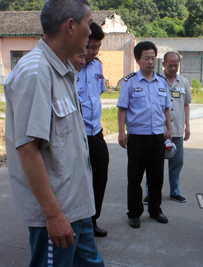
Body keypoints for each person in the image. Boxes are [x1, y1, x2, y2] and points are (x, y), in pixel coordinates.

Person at [4, 0, 104, 266]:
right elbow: (28, 150)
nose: (90, 29)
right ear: (70, 26)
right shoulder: (36, 73)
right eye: (88, 22)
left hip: (77, 208)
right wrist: (53, 215)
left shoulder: (62, 70)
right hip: (58, 216)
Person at [117, 41, 172, 229]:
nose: (150, 62)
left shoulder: (162, 82)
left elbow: (166, 108)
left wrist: (169, 129)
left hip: (157, 136)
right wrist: (121, 132)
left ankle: (155, 210)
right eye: (146, 58)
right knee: (135, 177)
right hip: (137, 137)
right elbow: (122, 108)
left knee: (156, 176)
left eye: (153, 58)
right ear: (138, 59)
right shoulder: (130, 81)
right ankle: (134, 213)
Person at [143, 51, 191, 204]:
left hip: (176, 130)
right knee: (153, 163)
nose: (173, 68)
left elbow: (186, 104)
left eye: (176, 65)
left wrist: (187, 125)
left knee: (177, 162)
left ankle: (174, 191)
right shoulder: (154, 80)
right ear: (163, 64)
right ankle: (150, 193)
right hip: (157, 130)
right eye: (170, 65)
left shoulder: (183, 82)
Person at [76, 22, 109, 237]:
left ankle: (92, 220)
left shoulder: (98, 66)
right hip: (77, 134)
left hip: (95, 131)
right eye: (91, 46)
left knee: (100, 175)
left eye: (97, 47)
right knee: (79, 179)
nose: (94, 51)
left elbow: (97, 96)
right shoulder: (70, 67)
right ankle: (77, 223)